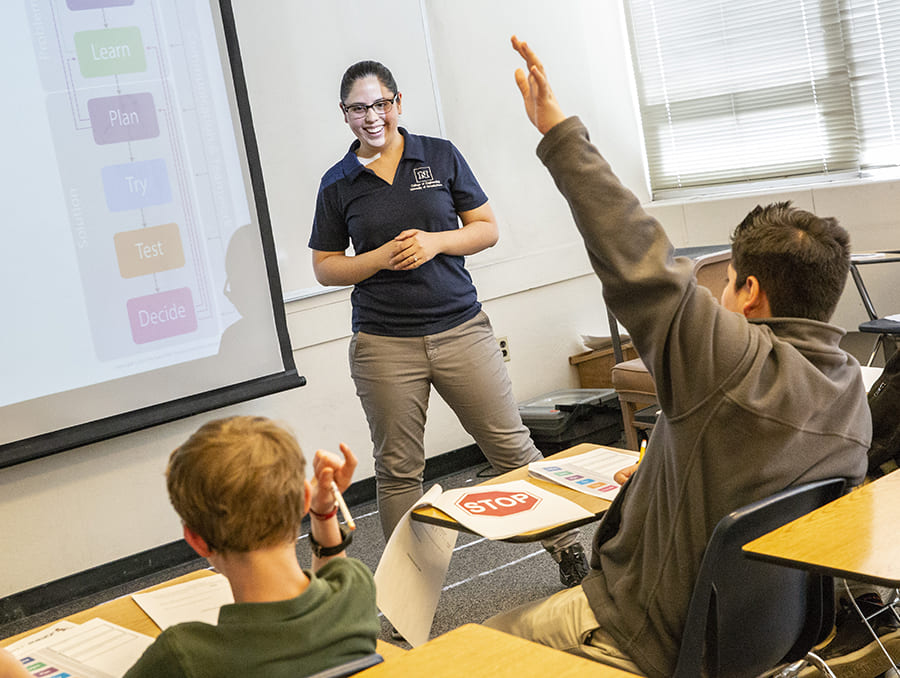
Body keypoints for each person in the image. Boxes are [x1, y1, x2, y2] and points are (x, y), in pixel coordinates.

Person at [483, 37, 873, 678]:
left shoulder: (730, 362)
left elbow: (636, 252)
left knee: (458, 649)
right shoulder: (847, 388)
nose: (717, 291)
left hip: (638, 635)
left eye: (726, 280)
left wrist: (557, 132)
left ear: (749, 293)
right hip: (759, 641)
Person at [308, 59, 587, 585]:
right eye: (359, 108)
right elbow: (324, 265)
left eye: (381, 103)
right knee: (398, 472)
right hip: (383, 344)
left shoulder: (438, 154)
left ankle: (569, 547)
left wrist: (436, 241)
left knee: (510, 446)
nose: (373, 117)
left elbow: (485, 229)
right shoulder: (338, 183)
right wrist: (378, 259)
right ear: (345, 115)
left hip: (461, 328)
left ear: (398, 103)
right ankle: (407, 588)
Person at [0, 416, 379, 678]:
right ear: (303, 499)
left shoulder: (186, 656)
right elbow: (334, 578)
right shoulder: (356, 593)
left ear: (195, 539)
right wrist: (324, 514)